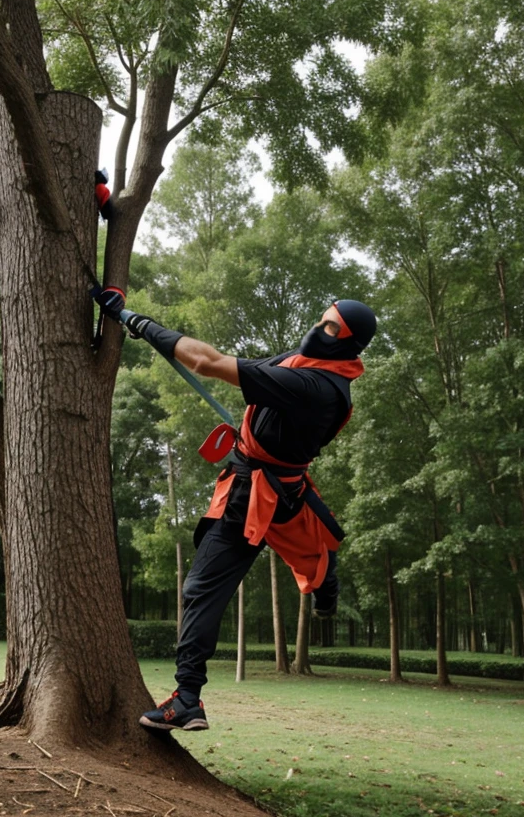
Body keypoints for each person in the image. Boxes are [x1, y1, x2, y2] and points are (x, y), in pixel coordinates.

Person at [122, 299, 377, 732]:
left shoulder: (316, 386)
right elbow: (223, 360)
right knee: (314, 546)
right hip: (282, 488)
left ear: (349, 342)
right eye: (321, 319)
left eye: (329, 326)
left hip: (255, 494)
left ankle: (187, 700)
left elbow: (206, 362)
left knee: (201, 588)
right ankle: (327, 585)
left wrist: (139, 323)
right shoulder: (308, 362)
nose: (318, 328)